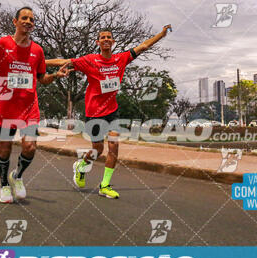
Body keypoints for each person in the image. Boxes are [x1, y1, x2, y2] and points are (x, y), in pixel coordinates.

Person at [46, 25, 171, 199]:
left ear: (113, 42)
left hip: (112, 110)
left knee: (114, 145)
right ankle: (81, 165)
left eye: (108, 37)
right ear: (98, 42)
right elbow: (64, 61)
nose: (106, 39)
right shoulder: (90, 60)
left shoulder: (121, 59)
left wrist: (161, 34)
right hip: (94, 112)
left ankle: (104, 185)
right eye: (102, 37)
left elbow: (143, 46)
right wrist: (38, 62)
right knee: (98, 150)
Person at [0, 6, 71, 203]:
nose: (28, 21)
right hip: (6, 108)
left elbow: (42, 79)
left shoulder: (37, 51)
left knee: (30, 147)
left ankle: (17, 176)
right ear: (15, 22)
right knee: (4, 150)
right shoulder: (1, 44)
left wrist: (55, 76)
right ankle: (4, 186)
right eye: (24, 18)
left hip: (28, 109)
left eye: (31, 20)